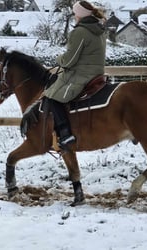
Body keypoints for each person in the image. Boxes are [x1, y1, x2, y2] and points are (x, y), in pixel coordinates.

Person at [44, 1, 107, 150]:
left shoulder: (80, 32)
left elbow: (69, 60)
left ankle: (66, 134)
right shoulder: (100, 30)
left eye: (75, 13)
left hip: (82, 75)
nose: (74, 16)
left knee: (52, 97)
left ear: (79, 15)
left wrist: (58, 59)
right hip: (97, 73)